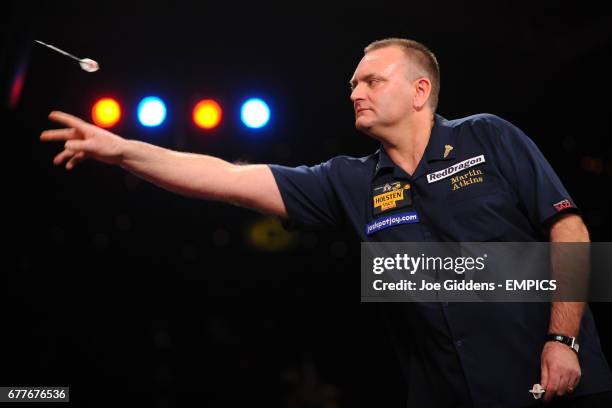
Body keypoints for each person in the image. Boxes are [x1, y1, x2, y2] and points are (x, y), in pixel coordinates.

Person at [40, 38, 612, 407]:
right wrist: (123, 152)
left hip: (558, 382)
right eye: (352, 84)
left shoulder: (488, 135)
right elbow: (226, 177)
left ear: (420, 92)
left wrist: (563, 340)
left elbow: (570, 230)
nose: (355, 91)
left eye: (371, 81)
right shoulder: (350, 182)